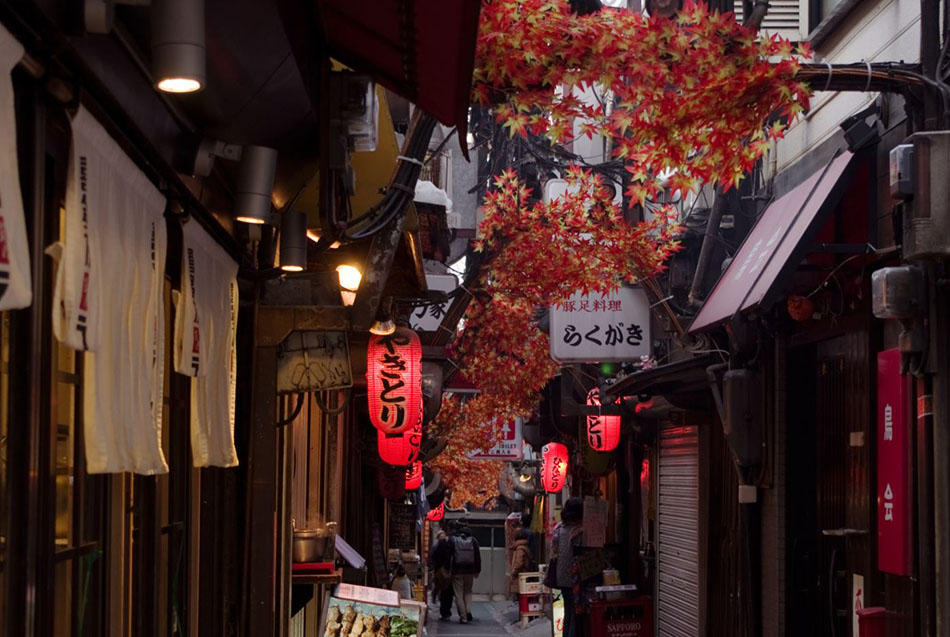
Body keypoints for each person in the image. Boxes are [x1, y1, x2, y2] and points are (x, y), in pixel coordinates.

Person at [553, 497, 584, 637]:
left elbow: (554, 552)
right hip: (575, 577)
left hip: (562, 576)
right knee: (575, 614)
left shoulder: (558, 528)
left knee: (568, 612)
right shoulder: (578, 530)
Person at [450, 525, 481, 624]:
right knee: (468, 592)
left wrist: (448, 569)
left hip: (457, 571)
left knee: (458, 595)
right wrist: (477, 570)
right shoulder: (474, 541)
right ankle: (468, 610)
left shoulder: (454, 540)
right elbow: (477, 557)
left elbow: (449, 556)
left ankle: (463, 617)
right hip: (470, 571)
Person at [429, 529, 455, 620]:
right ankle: (446, 612)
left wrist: (432, 569)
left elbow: (432, 558)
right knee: (447, 591)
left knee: (439, 587)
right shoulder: (450, 544)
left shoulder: (435, 546)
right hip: (448, 572)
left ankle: (436, 598)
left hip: (439, 571)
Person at [509, 529, 535, 598]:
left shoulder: (520, 549)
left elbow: (519, 563)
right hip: (524, 573)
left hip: (520, 575)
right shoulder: (525, 547)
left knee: (520, 596)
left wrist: (514, 572)